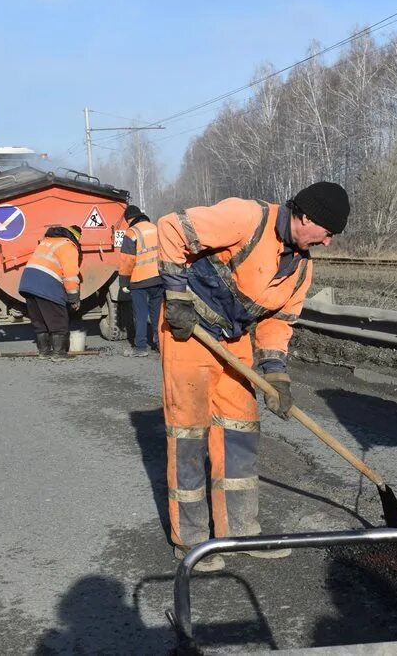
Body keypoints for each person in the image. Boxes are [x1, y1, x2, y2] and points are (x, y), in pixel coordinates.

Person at [157, 182, 349, 572]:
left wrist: (276, 376)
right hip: (188, 331)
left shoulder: (301, 269)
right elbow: (170, 228)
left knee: (240, 431)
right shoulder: (247, 217)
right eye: (327, 233)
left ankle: (241, 533)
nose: (328, 243)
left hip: (235, 339)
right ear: (306, 218)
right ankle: (191, 542)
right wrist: (176, 297)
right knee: (189, 436)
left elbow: (278, 323)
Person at [19, 225, 82, 360]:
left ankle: (44, 352)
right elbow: (70, 275)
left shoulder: (47, 242)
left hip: (28, 282)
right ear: (74, 238)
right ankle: (59, 354)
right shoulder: (68, 246)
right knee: (58, 320)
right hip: (45, 283)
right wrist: (73, 298)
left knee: (40, 321)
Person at [117, 205, 161, 357]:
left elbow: (127, 260)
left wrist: (124, 282)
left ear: (129, 219)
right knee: (157, 314)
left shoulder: (132, 232)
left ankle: (141, 348)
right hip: (158, 278)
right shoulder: (155, 228)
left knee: (140, 315)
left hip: (139, 281)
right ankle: (160, 344)